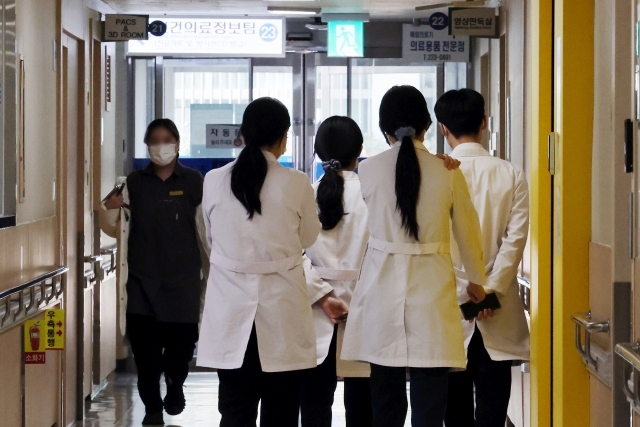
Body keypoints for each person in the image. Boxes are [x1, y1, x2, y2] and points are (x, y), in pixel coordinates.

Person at [341, 85, 487, 427]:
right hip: (432, 292)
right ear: (428, 126)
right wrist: (477, 283)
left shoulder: (367, 170)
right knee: (430, 403)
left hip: (380, 289)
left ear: (384, 129)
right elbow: (469, 233)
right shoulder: (448, 171)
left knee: (386, 403)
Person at [197, 97, 321, 427]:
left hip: (230, 308)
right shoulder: (296, 182)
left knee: (235, 410)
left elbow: (211, 240)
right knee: (281, 412)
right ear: (284, 136)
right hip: (282, 309)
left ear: (244, 134)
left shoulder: (214, 180)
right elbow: (309, 238)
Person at [100, 118, 208, 426]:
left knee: (181, 352)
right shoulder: (133, 182)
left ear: (177, 144)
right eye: (154, 140)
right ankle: (152, 411)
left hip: (183, 283)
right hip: (142, 284)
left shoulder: (193, 181)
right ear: (147, 146)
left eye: (166, 140)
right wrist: (111, 206)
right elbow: (108, 220)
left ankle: (175, 385)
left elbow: (207, 227)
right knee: (145, 359)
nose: (161, 146)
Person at [435, 89, 530, 427]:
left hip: (448, 310)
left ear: (442, 128)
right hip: (497, 310)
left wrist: (467, 292)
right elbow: (514, 242)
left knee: (453, 414)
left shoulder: (437, 175)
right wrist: (488, 291)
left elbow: (435, 244)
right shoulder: (512, 174)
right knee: (493, 412)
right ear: (484, 123)